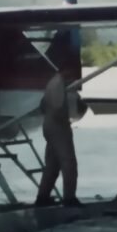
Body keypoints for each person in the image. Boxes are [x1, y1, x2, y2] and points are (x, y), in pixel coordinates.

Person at [35, 71, 81, 207]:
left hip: (49, 125)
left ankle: (42, 198)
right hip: (58, 127)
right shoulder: (58, 84)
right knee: (69, 163)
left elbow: (43, 106)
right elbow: (57, 109)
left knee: (52, 165)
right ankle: (69, 199)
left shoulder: (53, 81)